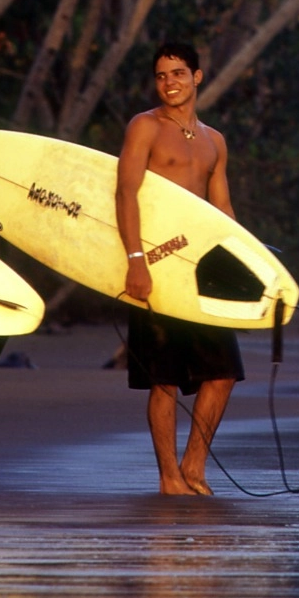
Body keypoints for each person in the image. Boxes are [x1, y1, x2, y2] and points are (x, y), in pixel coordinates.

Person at [117, 41, 245, 495]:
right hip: (155, 262)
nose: (169, 82)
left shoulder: (215, 141)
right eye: (161, 75)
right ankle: (169, 477)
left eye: (177, 73)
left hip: (200, 269)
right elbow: (125, 193)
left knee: (224, 372)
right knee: (164, 378)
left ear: (198, 77)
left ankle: (194, 467)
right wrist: (135, 261)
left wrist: (244, 266)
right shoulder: (145, 128)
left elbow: (223, 208)